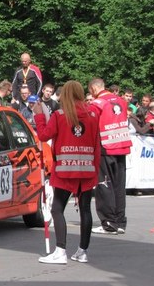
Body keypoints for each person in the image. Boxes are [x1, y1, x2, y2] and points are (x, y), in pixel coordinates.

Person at [32, 80, 100, 264]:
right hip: (87, 170)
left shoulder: (60, 115)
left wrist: (38, 116)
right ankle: (82, 251)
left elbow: (44, 135)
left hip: (64, 169)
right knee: (85, 210)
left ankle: (60, 250)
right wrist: (96, 170)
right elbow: (97, 145)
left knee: (57, 209)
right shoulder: (93, 115)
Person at [88, 78, 132, 235]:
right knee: (119, 186)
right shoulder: (121, 101)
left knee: (104, 184)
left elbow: (91, 125)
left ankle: (108, 223)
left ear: (93, 89)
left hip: (105, 147)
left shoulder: (97, 104)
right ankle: (120, 222)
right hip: (121, 145)